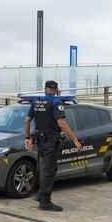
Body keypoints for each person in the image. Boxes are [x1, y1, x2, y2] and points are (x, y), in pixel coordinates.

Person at [24, 80, 83, 212]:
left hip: (39, 141)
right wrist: (75, 140)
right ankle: (45, 202)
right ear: (56, 90)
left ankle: (40, 195)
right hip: (50, 141)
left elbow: (27, 120)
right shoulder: (56, 103)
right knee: (49, 170)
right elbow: (61, 124)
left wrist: (27, 138)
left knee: (46, 168)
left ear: (45, 89)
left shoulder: (36, 102)